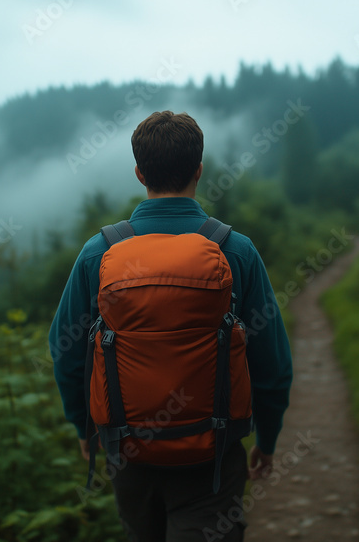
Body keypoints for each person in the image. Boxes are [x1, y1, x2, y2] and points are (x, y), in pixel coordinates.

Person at [48, 110, 293, 541]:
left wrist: (84, 428)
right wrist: (267, 440)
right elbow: (272, 364)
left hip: (127, 451)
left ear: (140, 172)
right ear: (199, 170)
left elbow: (66, 352)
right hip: (213, 454)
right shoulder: (235, 250)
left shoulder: (98, 254)